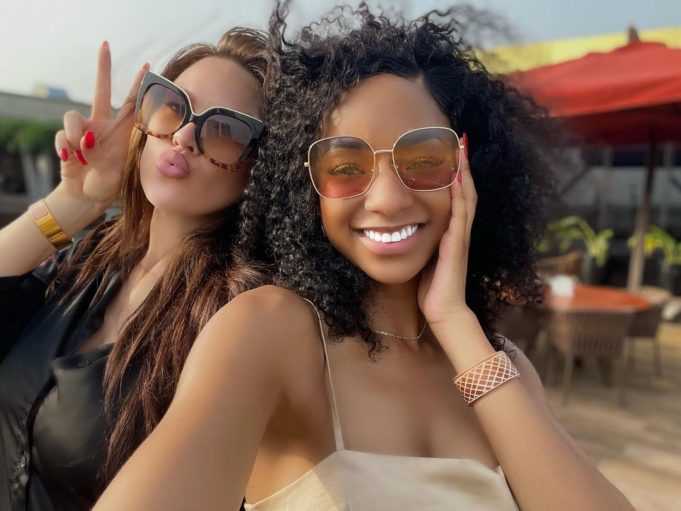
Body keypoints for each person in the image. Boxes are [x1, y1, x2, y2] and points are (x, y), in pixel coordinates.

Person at [94, 5, 635, 511]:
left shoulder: (503, 363)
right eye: (345, 166)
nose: (388, 199)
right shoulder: (270, 332)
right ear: (304, 188)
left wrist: (455, 323)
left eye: (424, 158)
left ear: (472, 168)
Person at [0, 27, 268, 510]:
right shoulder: (91, 258)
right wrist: (73, 203)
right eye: (172, 106)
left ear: (259, 168)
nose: (183, 137)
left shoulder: (237, 318)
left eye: (225, 130)